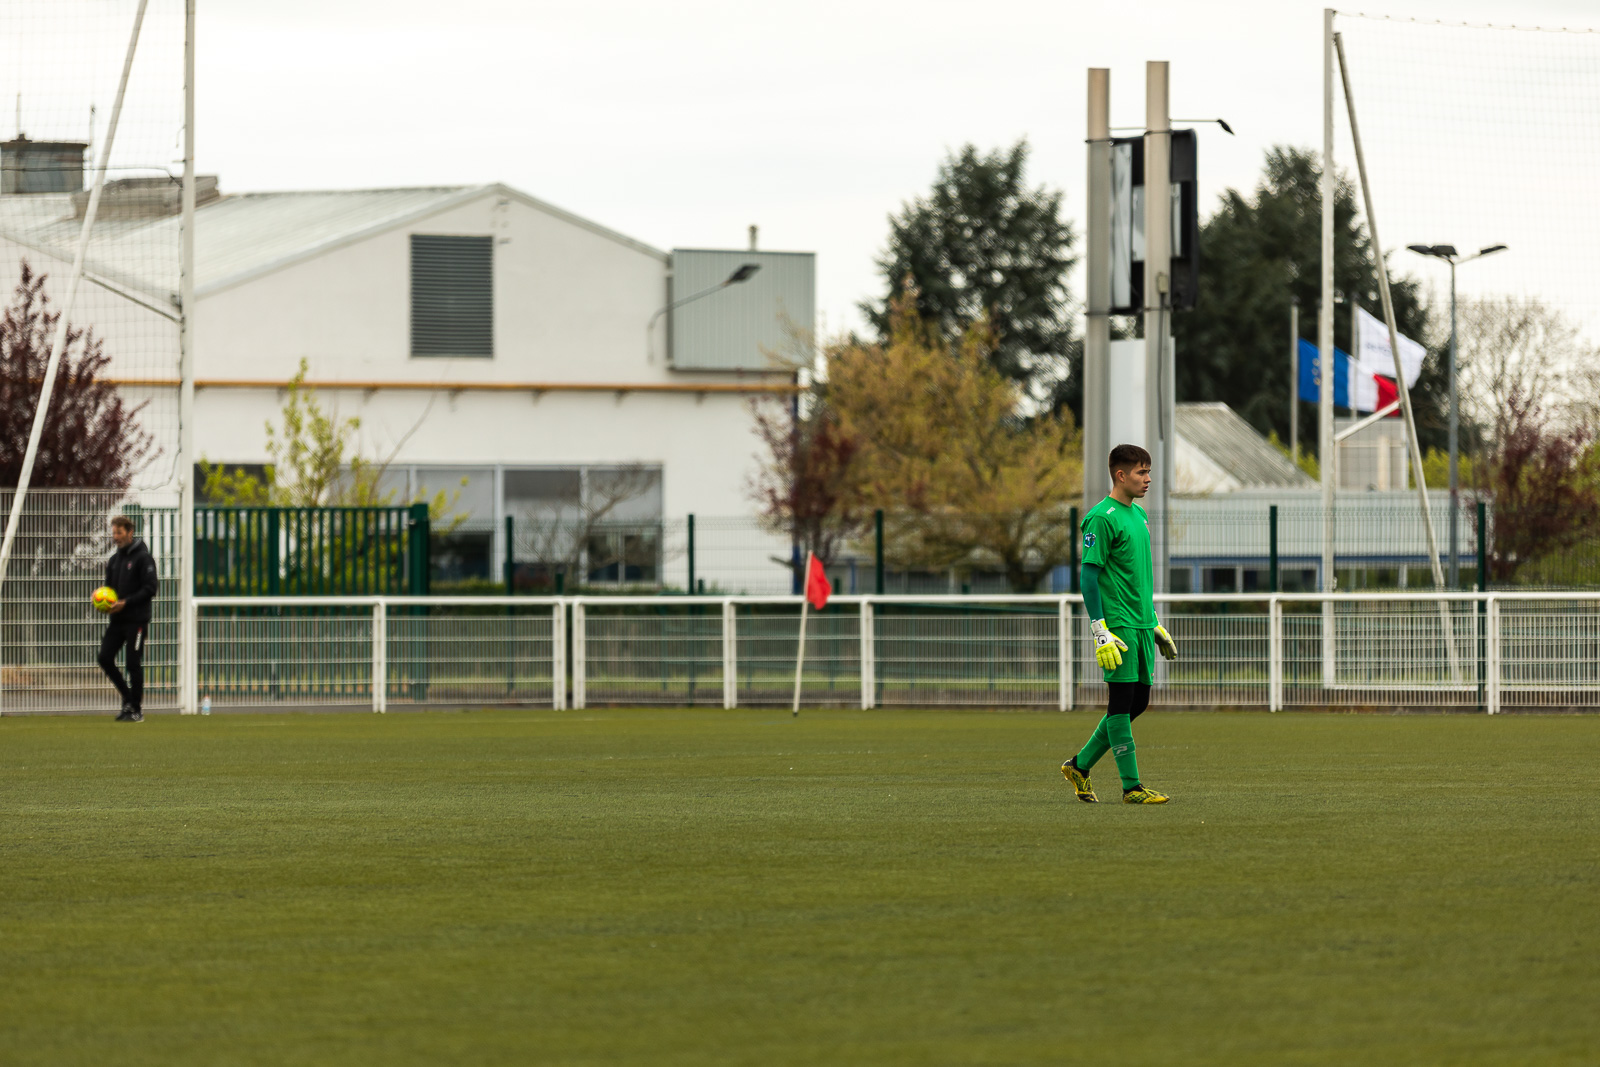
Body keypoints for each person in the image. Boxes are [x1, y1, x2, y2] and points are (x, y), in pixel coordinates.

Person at [1061, 444, 1178, 804]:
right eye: (1142, 472)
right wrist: (1100, 629)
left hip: (1142, 625)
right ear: (1120, 475)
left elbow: (1137, 576)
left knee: (1137, 703)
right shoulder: (1101, 517)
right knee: (1120, 704)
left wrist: (1155, 623)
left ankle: (1079, 765)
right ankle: (1131, 787)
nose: (1148, 479)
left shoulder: (1139, 516)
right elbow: (1088, 577)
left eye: (1148, 471)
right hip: (1119, 628)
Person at [98, 515, 159, 722]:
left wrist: (127, 602)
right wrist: (101, 600)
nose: (116, 537)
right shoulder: (114, 561)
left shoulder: (143, 558)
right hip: (118, 621)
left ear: (130, 532)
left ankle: (136, 710)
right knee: (104, 658)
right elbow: (109, 590)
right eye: (113, 533)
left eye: (119, 532)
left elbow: (151, 588)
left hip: (137, 620)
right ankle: (127, 698)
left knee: (133, 662)